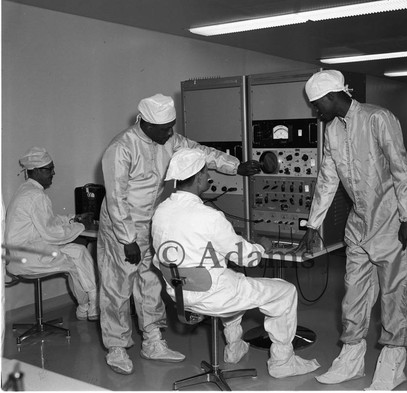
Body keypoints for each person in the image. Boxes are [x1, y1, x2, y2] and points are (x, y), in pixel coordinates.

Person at [97, 94, 262, 375]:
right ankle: (117, 347)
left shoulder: (170, 140)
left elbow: (201, 152)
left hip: (153, 224)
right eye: (164, 128)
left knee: (150, 283)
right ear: (145, 123)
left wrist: (235, 166)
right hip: (120, 227)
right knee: (117, 287)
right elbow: (116, 198)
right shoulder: (121, 147)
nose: (170, 132)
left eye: (171, 126)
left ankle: (152, 341)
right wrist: (127, 240)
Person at [151, 147, 321, 378]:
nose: (209, 177)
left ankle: (234, 348)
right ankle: (283, 363)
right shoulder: (208, 216)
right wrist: (262, 246)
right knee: (285, 291)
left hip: (179, 294)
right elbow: (247, 258)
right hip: (212, 295)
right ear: (199, 177)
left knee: (233, 280)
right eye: (206, 173)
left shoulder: (161, 212)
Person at [297, 70, 407, 390]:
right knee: (353, 295)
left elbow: (400, 169)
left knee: (394, 296)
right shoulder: (333, 131)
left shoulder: (378, 118)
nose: (315, 111)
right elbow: (327, 179)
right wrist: (313, 225)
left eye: (316, 104)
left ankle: (392, 364)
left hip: (391, 223)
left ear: (332, 96)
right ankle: (351, 358)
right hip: (359, 225)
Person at [4, 147, 99, 321]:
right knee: (78, 256)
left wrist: (74, 219)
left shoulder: (26, 191)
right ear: (36, 171)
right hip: (29, 257)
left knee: (77, 255)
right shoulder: (36, 196)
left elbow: (48, 220)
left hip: (18, 255)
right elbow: (51, 233)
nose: (53, 173)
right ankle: (92, 303)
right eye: (49, 169)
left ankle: (85, 306)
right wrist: (81, 226)